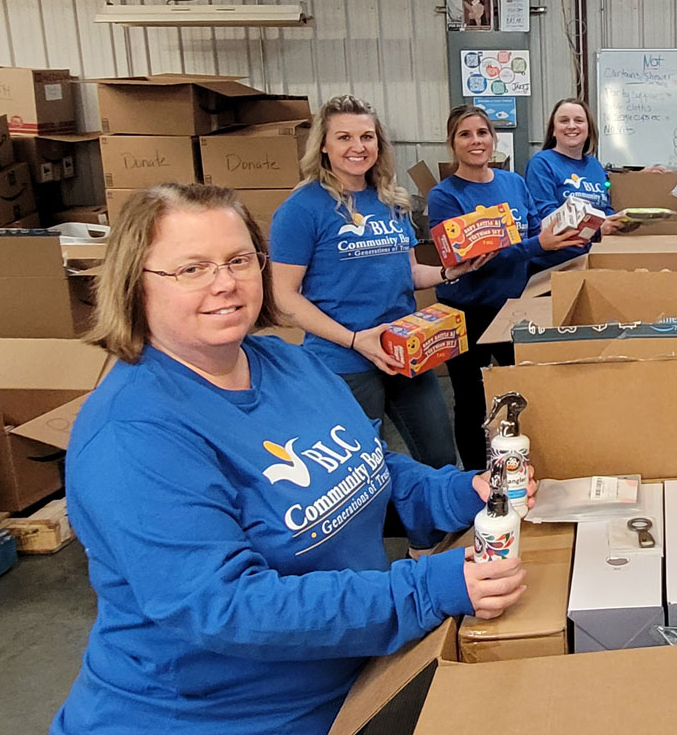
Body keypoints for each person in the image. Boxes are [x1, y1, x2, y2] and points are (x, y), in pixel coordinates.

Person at [51, 184, 530, 735]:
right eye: (191, 269)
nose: (225, 283)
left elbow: (365, 468)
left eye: (238, 260)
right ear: (135, 284)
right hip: (219, 718)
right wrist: (422, 590)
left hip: (353, 680)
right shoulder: (133, 436)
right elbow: (227, 606)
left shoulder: (284, 363)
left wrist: (455, 493)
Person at [270, 95, 477, 468]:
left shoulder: (391, 201)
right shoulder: (301, 209)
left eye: (367, 137)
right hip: (344, 359)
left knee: (439, 459)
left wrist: (451, 272)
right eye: (344, 137)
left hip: (405, 350)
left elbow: (410, 272)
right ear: (323, 145)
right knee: (362, 470)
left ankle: (434, 529)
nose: (357, 147)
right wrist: (353, 340)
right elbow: (285, 296)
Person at [429, 105, 588, 467]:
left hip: (514, 308)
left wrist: (574, 242)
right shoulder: (445, 196)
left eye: (482, 133)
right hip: (466, 310)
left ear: (493, 138)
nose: (475, 141)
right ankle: (475, 479)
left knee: (527, 390)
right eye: (465, 134)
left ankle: (530, 469)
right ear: (452, 143)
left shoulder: (513, 183)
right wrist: (539, 246)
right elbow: (469, 263)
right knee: (472, 401)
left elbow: (533, 241)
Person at [523, 97, 627, 252]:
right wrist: (597, 230)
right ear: (553, 129)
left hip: (595, 253)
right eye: (564, 121)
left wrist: (619, 221)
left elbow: (604, 209)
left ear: (589, 128)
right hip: (558, 260)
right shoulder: (542, 163)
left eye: (579, 120)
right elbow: (547, 217)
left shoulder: (595, 166)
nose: (572, 126)